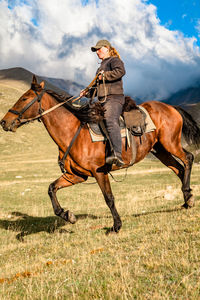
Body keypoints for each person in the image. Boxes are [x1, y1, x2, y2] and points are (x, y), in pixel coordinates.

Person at [80, 39, 126, 167]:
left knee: (110, 120)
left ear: (106, 48)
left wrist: (104, 76)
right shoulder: (100, 67)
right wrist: (87, 93)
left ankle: (117, 154)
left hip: (114, 98)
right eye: (95, 50)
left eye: (99, 49)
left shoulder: (114, 60)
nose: (97, 52)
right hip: (103, 100)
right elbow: (96, 87)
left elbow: (121, 71)